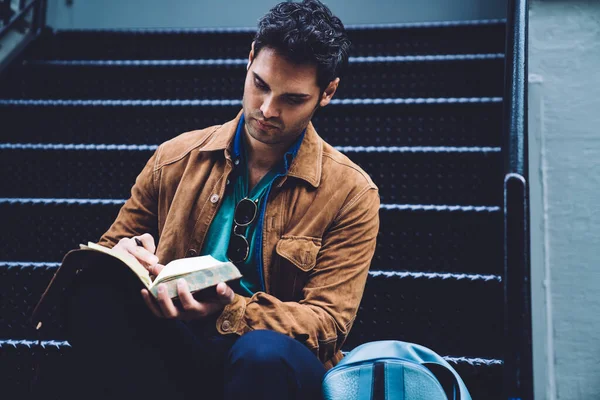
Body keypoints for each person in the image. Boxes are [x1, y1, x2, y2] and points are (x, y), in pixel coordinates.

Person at [63, 1, 380, 399]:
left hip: (271, 363)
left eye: (292, 99)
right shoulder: (174, 157)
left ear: (327, 92)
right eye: (260, 84)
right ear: (249, 59)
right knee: (94, 294)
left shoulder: (351, 192)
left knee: (261, 354)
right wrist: (125, 257)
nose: (267, 109)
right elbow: (104, 251)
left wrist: (229, 311)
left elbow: (328, 322)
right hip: (177, 346)